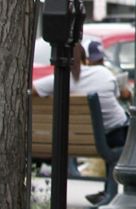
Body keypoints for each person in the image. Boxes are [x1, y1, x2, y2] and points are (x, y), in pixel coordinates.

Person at [34, 40, 130, 205]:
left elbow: (31, 89)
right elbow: (117, 96)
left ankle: (107, 192)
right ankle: (109, 193)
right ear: (86, 60)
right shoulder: (103, 73)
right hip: (112, 140)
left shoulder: (59, 80)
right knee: (119, 126)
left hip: (75, 141)